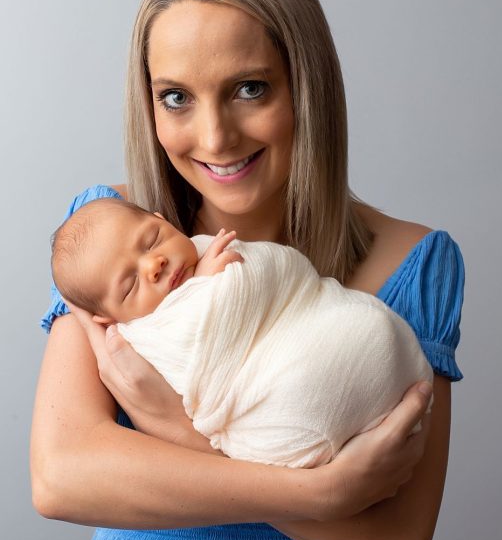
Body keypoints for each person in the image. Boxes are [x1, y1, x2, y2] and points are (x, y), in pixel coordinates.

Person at [31, 0, 465, 540]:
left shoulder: (415, 260)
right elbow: (61, 473)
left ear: (307, 86)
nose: (214, 135)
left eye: (249, 88)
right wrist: (325, 492)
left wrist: (175, 429)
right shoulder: (104, 237)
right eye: (176, 97)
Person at [49, 198, 434, 469]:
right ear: (105, 320)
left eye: (152, 240)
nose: (155, 264)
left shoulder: (208, 251)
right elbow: (59, 480)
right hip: (290, 404)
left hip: (344, 334)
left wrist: (206, 278)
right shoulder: (138, 338)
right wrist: (207, 288)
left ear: (162, 218)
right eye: (131, 285)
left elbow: (279, 277)